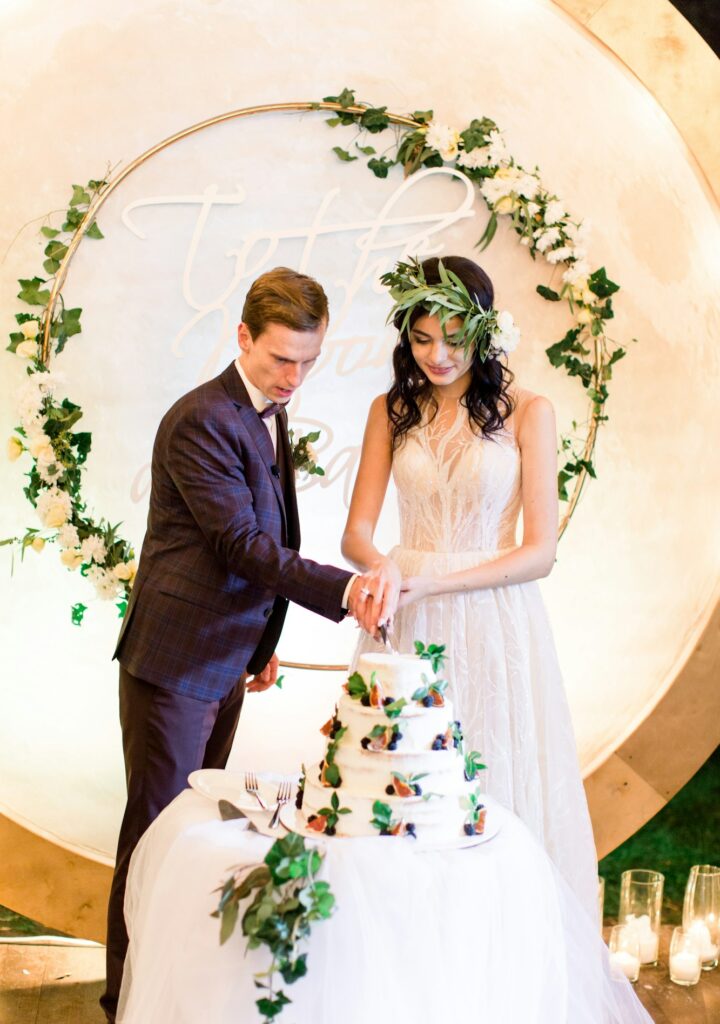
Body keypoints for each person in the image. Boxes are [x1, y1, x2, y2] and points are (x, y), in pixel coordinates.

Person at [101, 267, 377, 1023]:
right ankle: (124, 1002)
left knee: (191, 837)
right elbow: (239, 543)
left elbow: (257, 539)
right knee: (156, 842)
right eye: (279, 359)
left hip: (222, 660)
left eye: (308, 362)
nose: (293, 377)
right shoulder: (203, 419)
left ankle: (173, 995)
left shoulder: (264, 409)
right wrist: (345, 590)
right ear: (242, 338)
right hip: (175, 666)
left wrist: (261, 645)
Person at [341, 255, 599, 918]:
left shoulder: (528, 412)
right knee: (402, 789)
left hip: (493, 619)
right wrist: (391, 569)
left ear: (483, 333)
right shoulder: (391, 411)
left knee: (491, 773)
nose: (438, 354)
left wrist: (434, 583)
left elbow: (540, 552)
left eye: (454, 338)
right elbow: (357, 534)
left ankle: (497, 940)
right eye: (422, 338)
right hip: (406, 618)